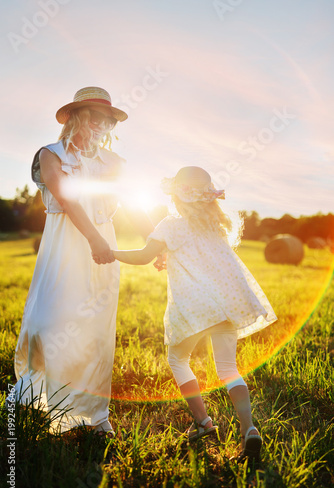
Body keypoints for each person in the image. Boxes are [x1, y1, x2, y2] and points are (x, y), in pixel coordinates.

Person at [11, 87, 156, 436]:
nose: (101, 124)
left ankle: (89, 415)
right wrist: (95, 239)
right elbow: (68, 199)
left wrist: (156, 243)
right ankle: (40, 399)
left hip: (103, 253)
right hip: (64, 249)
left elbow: (135, 204)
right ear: (77, 116)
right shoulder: (50, 154)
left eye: (107, 119)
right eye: (95, 116)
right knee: (47, 323)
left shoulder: (115, 163)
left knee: (93, 334)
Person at [109, 166, 277, 460]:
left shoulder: (170, 224)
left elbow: (144, 256)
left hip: (195, 306)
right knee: (228, 369)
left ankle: (203, 422)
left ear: (175, 196)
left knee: (178, 358)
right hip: (226, 304)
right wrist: (167, 256)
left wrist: (110, 251)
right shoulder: (216, 226)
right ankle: (249, 428)